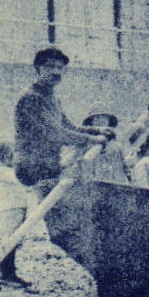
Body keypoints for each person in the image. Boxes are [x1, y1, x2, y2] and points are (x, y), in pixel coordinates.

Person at [14, 47, 113, 193]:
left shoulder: (53, 98)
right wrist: (92, 139)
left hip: (50, 165)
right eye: (50, 67)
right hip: (32, 168)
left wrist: (97, 130)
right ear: (38, 68)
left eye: (59, 68)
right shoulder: (31, 97)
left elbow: (69, 127)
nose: (56, 72)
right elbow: (56, 133)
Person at [0, 141, 35, 288]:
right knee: (9, 242)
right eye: (11, 156)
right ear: (1, 157)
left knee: (13, 241)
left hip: (16, 209)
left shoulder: (5, 171)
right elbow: (21, 180)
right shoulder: (1, 171)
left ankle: (9, 273)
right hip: (9, 210)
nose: (14, 160)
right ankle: (6, 275)